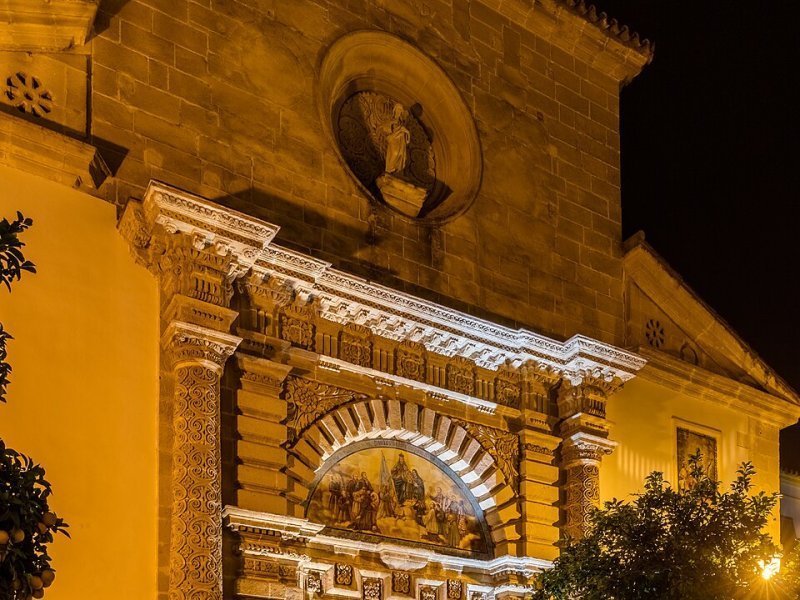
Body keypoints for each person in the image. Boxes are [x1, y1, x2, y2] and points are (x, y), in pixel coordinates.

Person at [384, 103, 411, 174]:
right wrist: (398, 129)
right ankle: (389, 169)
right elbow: (386, 129)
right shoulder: (391, 120)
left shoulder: (401, 122)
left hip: (401, 140)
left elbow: (407, 139)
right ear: (395, 110)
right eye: (398, 109)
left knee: (401, 155)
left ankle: (397, 171)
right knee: (395, 153)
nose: (399, 111)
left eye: (400, 110)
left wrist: (407, 133)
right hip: (394, 138)